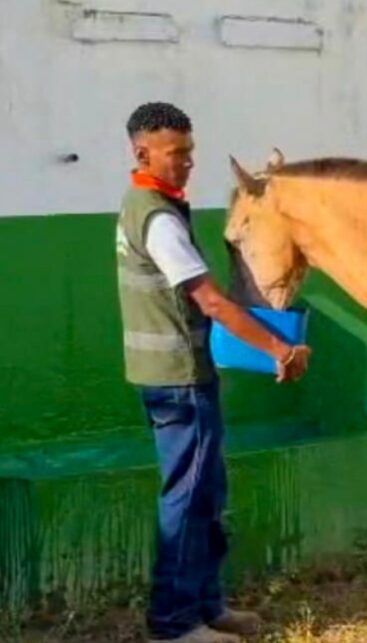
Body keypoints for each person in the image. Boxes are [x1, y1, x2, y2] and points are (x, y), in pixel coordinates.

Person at [115, 102, 311, 643]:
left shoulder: (162, 207)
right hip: (176, 380)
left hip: (179, 375)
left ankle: (205, 605)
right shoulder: (154, 215)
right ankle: (175, 624)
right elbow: (212, 301)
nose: (186, 163)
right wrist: (280, 349)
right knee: (187, 496)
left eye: (190, 152)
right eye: (176, 153)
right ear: (143, 152)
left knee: (205, 492)